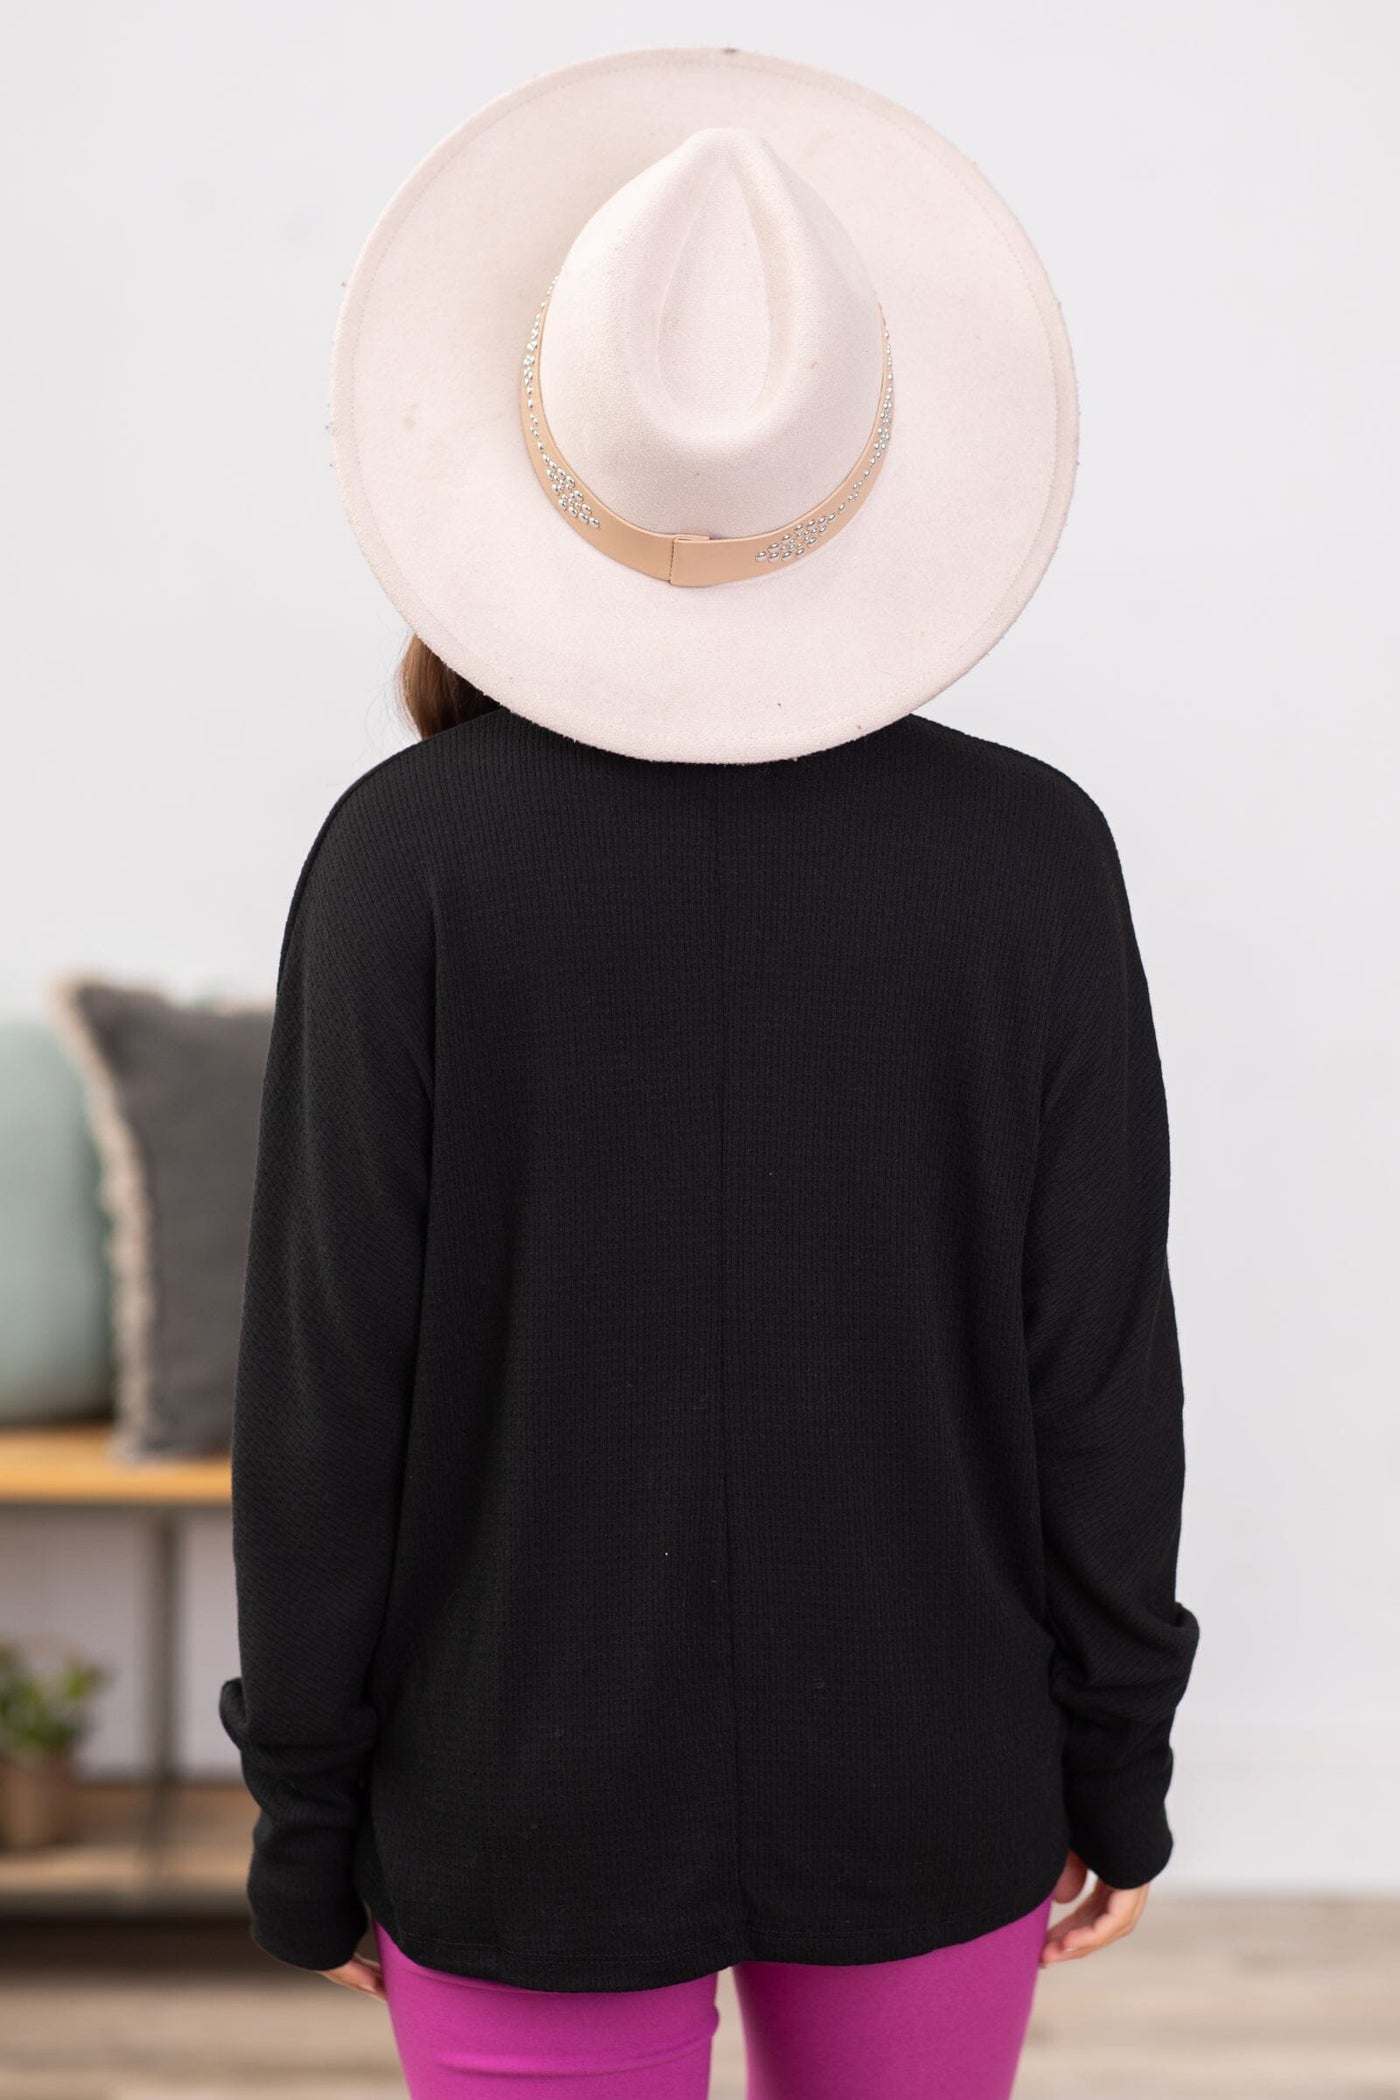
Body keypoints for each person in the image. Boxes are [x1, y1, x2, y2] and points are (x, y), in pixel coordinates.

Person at [219, 48, 1200, 2100]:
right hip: (936, 1765)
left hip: (511, 1793)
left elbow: (327, 1397)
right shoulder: (1029, 857)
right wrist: (1116, 1751)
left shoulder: (405, 861)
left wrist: (310, 1814)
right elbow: (1098, 1369)